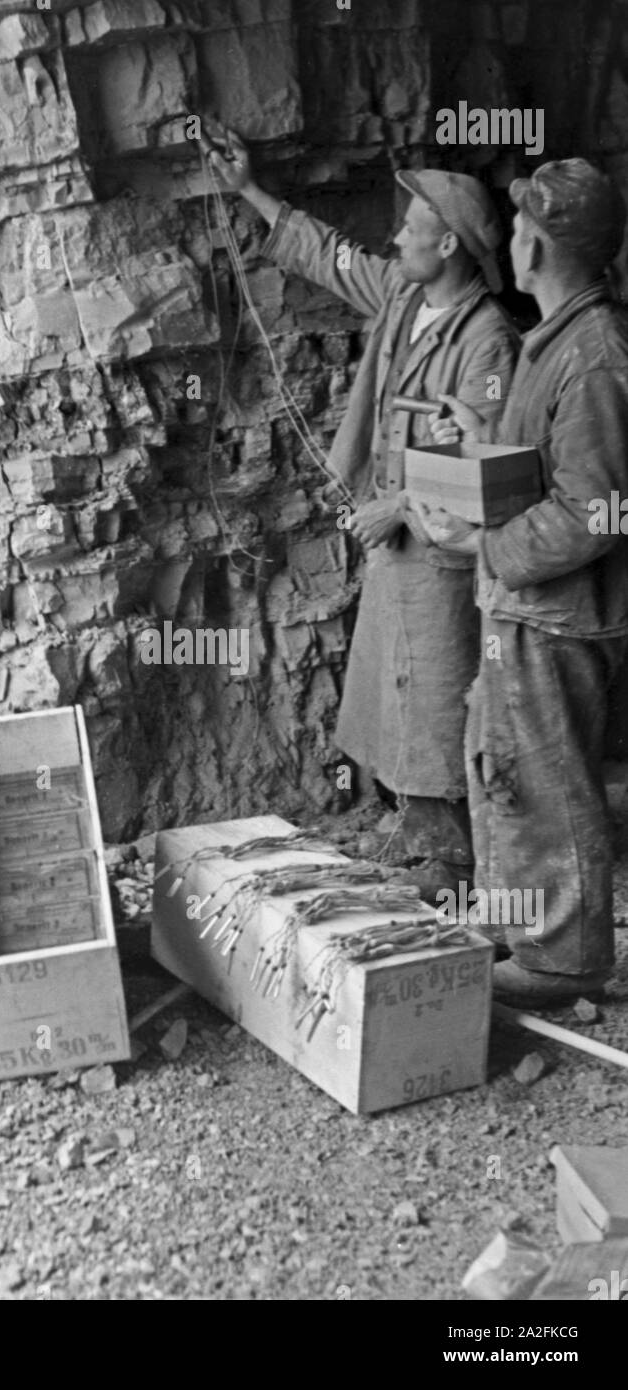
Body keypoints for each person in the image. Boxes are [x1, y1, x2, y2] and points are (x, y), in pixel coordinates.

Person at [204, 129, 517, 894]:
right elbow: (330, 254)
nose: (395, 237)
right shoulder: (404, 296)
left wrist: (399, 507)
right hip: (394, 539)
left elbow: (498, 465)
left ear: (444, 244)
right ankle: (416, 833)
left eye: (409, 229)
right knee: (391, 685)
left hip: (441, 549)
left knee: (438, 688)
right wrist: (249, 189)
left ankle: (449, 858)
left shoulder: (488, 341)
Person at [412, 159, 628, 1006]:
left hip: (562, 610)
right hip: (528, 602)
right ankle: (519, 925)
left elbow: (602, 509)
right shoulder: (557, 336)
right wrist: (480, 429)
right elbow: (551, 458)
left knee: (547, 782)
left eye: (519, 227)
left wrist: (487, 542)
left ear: (535, 243)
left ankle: (564, 957)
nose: (510, 239)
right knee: (500, 766)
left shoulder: (597, 353)